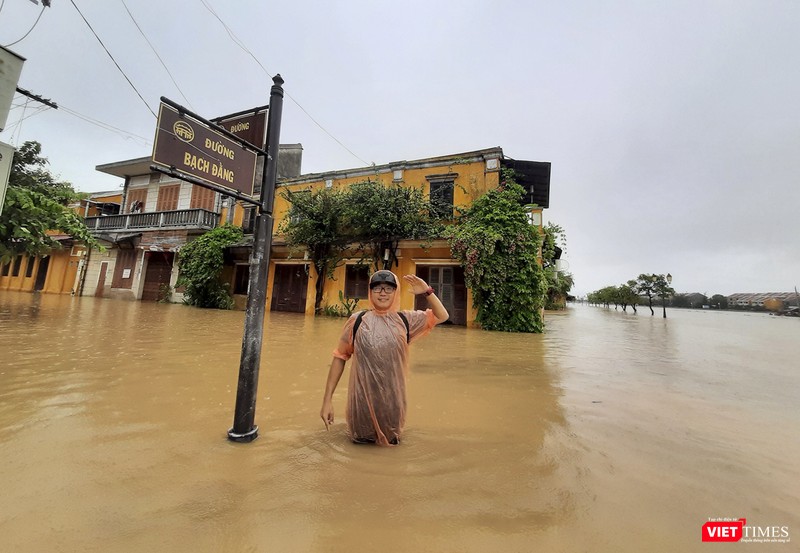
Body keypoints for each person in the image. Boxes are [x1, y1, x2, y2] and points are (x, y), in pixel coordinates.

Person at [320, 270, 449, 446]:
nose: (382, 292)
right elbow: (340, 357)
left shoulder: (406, 320)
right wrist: (327, 401)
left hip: (392, 406)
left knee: (391, 450)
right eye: (377, 288)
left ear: (395, 292)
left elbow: (442, 316)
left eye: (388, 288)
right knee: (359, 450)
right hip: (360, 405)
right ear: (370, 292)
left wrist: (427, 291)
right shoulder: (357, 321)